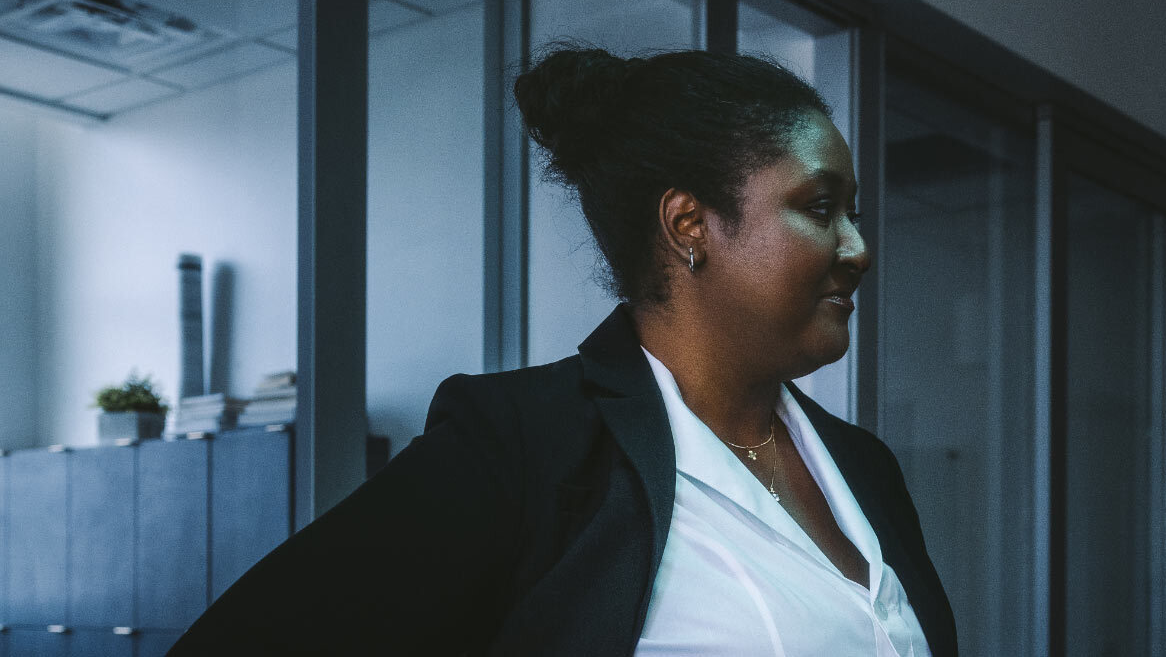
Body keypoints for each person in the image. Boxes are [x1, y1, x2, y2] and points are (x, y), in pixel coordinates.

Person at [171, 47, 956, 656]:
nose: (857, 246)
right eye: (820, 207)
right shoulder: (526, 448)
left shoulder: (863, 468)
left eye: (852, 212)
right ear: (689, 225)